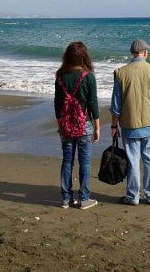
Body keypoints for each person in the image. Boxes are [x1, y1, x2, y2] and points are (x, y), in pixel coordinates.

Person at [110, 39, 150, 205]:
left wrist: (114, 124)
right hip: (149, 122)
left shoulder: (121, 72)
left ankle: (133, 196)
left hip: (129, 123)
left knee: (133, 160)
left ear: (132, 53)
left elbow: (116, 104)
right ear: (145, 53)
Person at [54, 41, 100, 210]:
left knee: (67, 161)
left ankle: (66, 199)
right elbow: (93, 103)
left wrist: (60, 125)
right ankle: (84, 199)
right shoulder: (88, 76)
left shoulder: (60, 77)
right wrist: (97, 126)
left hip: (66, 124)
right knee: (85, 162)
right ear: (84, 56)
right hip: (84, 125)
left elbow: (58, 104)